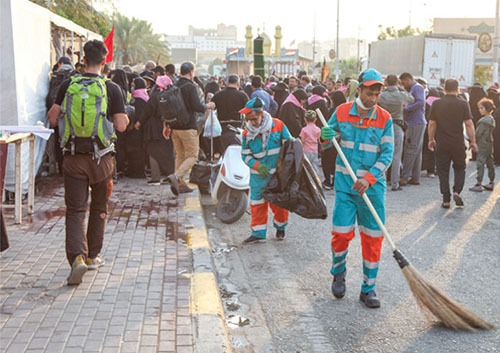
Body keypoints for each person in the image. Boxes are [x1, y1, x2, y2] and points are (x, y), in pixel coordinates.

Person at [48, 39, 128, 285]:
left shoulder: (67, 84)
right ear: (105, 61)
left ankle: (77, 258)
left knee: (75, 210)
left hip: (73, 157)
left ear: (83, 59)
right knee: (99, 208)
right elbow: (121, 125)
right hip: (102, 160)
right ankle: (93, 256)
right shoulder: (111, 88)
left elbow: (52, 118)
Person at [320, 68, 394, 308]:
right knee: (341, 234)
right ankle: (338, 273)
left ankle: (368, 288)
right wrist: (324, 135)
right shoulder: (341, 112)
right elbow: (326, 141)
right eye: (369, 93)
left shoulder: (385, 118)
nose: (373, 98)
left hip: (372, 190)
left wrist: (369, 178)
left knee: (373, 238)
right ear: (359, 89)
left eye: (377, 94)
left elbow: (387, 154)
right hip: (345, 187)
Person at [240, 97, 292, 244]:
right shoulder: (246, 133)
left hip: (277, 176)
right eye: (249, 120)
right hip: (258, 176)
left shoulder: (279, 125)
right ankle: (258, 233)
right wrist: (257, 165)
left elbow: (289, 146)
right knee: (257, 204)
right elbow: (244, 154)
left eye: (255, 119)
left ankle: (280, 227)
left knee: (279, 204)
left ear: (261, 113)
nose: (253, 122)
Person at [165, 62, 215, 195]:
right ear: (191, 72)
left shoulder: (174, 85)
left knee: (180, 155)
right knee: (192, 156)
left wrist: (166, 125)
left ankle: (180, 184)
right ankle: (176, 176)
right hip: (188, 127)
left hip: (175, 127)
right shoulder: (190, 86)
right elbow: (197, 107)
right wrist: (208, 105)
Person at [428, 78, 477, 208]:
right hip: (458, 143)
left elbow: (432, 124)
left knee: (443, 171)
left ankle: (446, 199)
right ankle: (457, 191)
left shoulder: (437, 104)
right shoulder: (463, 104)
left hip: (442, 143)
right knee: (460, 168)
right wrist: (473, 141)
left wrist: (431, 139)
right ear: (458, 89)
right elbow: (469, 124)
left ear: (444, 88)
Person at [134, 75, 175, 185]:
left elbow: (147, 110)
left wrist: (139, 122)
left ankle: (155, 177)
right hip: (166, 125)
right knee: (167, 150)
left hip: (153, 127)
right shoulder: (171, 94)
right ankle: (170, 175)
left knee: (152, 150)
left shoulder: (155, 95)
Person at [377, 74, 415, 191]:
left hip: (384, 125)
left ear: (386, 82)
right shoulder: (400, 95)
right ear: (397, 82)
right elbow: (411, 99)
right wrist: (400, 87)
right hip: (398, 125)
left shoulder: (382, 95)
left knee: (382, 153)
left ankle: (382, 179)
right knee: (396, 155)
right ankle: (395, 183)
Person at [399, 72, 426, 186]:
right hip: (417, 122)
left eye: (403, 82)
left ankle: (404, 177)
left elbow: (420, 102)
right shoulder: (415, 88)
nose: (403, 85)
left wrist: (407, 108)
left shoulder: (417, 88)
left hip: (415, 123)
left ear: (408, 80)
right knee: (416, 151)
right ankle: (415, 177)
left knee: (410, 149)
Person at [211, 74, 249, 154]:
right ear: (238, 84)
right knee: (236, 150)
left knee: (223, 150)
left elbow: (211, 109)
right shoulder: (242, 95)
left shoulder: (218, 95)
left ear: (226, 83)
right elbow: (249, 111)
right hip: (237, 126)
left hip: (221, 127)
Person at [469, 98, 496, 192]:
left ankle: (478, 183)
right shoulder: (491, 119)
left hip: (482, 143)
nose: (479, 110)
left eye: (481, 108)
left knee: (480, 162)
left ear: (487, 109)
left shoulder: (483, 121)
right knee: (490, 162)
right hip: (489, 142)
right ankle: (491, 181)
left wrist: (472, 142)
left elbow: (478, 134)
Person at [299, 110, 321, 175]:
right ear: (315, 119)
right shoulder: (318, 129)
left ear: (305, 119)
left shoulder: (304, 130)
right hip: (315, 150)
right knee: (315, 166)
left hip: (306, 150)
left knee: (306, 167)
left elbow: (302, 141)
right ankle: (317, 179)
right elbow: (320, 140)